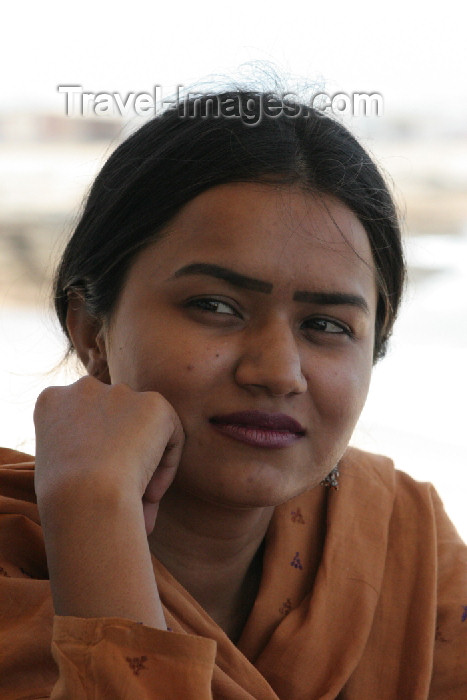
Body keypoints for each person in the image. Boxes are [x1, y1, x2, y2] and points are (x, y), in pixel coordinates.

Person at [0, 90, 465, 699]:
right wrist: (92, 523)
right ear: (92, 329)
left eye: (326, 325)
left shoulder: (406, 550)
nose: (277, 371)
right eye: (214, 306)